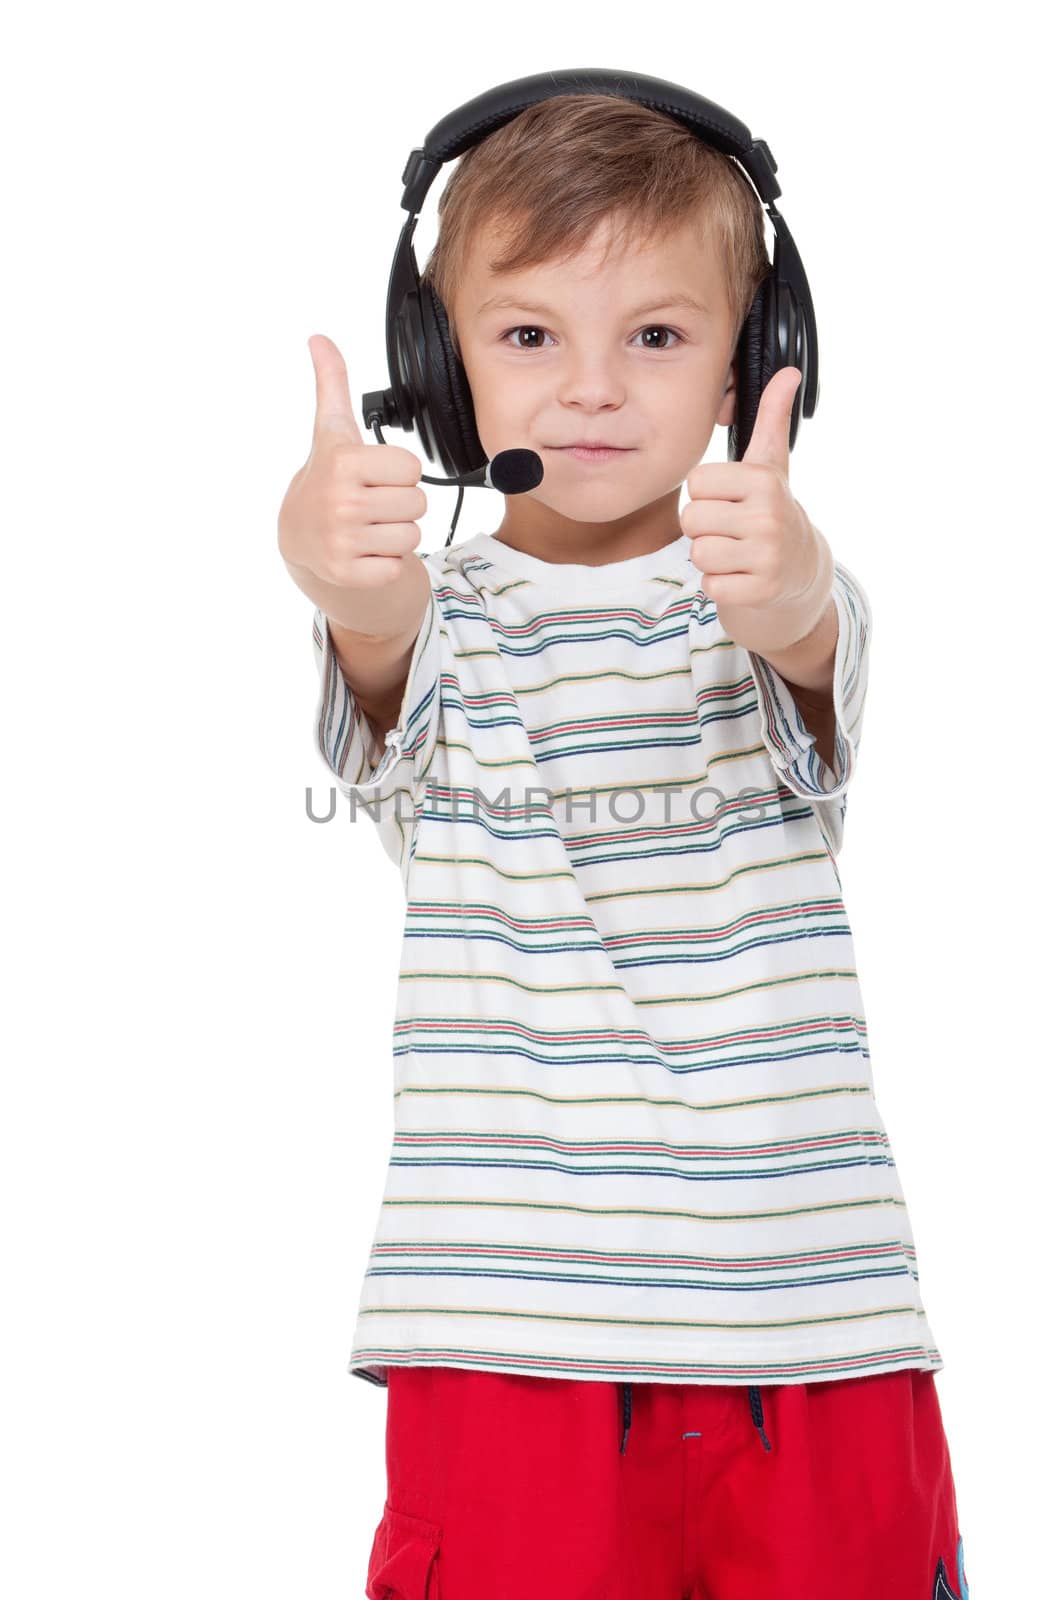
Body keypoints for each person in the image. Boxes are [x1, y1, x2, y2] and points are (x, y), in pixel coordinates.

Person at [279, 91, 970, 1600]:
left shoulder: (776, 589)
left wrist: (784, 577)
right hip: (507, 1340)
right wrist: (334, 561)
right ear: (437, 366)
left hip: (810, 1331)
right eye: (529, 337)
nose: (591, 390)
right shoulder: (436, 618)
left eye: (656, 337)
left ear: (752, 355)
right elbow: (378, 633)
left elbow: (803, 634)